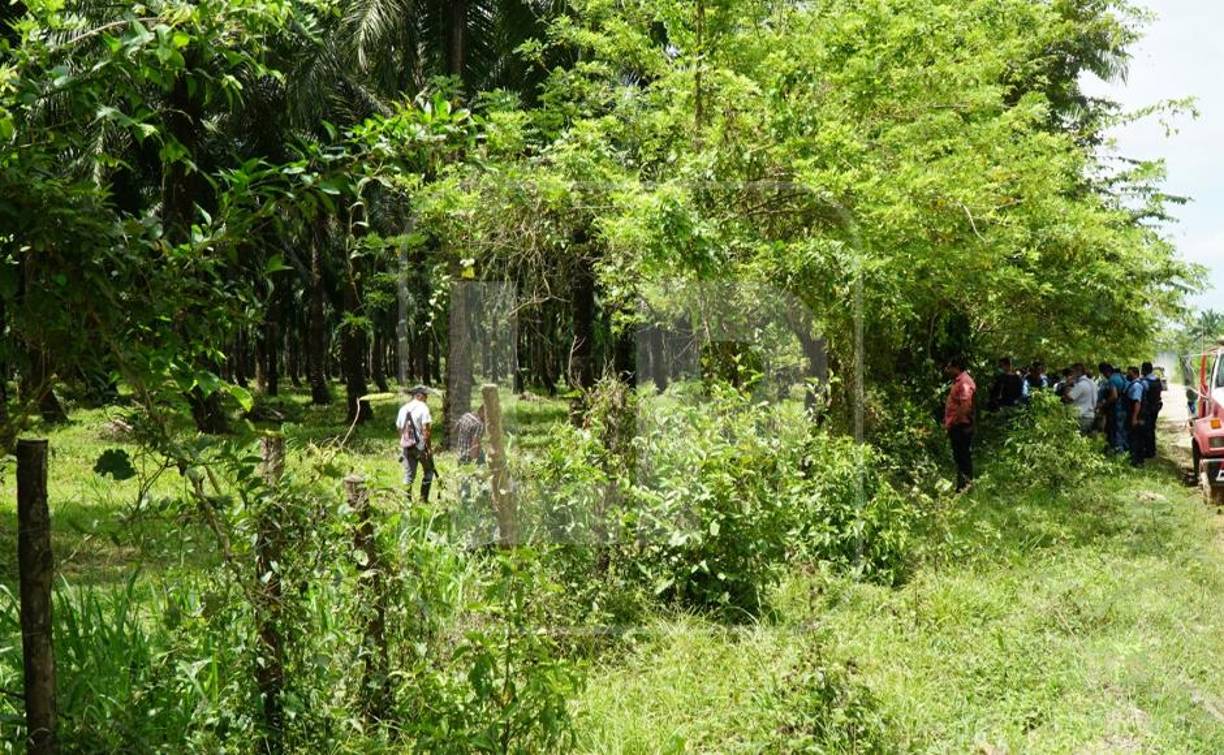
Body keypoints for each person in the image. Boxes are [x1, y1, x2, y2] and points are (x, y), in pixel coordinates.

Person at [396, 385, 436, 502]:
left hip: (407, 447)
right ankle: (423, 499)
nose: (426, 398)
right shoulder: (423, 408)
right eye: (425, 396)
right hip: (421, 447)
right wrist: (428, 448)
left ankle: (406, 502)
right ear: (419, 396)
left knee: (408, 476)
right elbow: (426, 430)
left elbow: (399, 428)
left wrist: (404, 442)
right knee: (429, 471)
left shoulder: (403, 408)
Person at [943, 357, 977, 492]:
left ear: (956, 367)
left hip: (961, 426)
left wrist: (955, 421)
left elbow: (965, 404)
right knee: (959, 456)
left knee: (963, 456)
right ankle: (962, 485)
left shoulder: (964, 382)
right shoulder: (959, 381)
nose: (947, 370)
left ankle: (966, 486)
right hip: (957, 425)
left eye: (949, 367)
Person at [1098, 363, 1127, 453]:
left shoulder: (1112, 380)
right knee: (1122, 430)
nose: (1104, 376)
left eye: (1103, 373)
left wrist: (1105, 403)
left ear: (1106, 372)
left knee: (1116, 430)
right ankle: (1124, 450)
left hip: (1116, 409)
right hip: (1124, 407)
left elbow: (1114, 396)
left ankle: (1118, 452)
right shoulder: (1121, 377)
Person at [1062, 363, 1096, 435]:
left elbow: (1069, 398)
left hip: (1081, 417)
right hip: (1090, 415)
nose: (1072, 375)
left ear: (1078, 372)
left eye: (1073, 373)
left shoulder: (1081, 385)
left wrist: (1066, 385)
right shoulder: (1092, 383)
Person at [1123, 366, 1147, 467]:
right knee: (1135, 438)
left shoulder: (1136, 386)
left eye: (1130, 373)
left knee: (1135, 439)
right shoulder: (1134, 384)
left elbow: (1137, 402)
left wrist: (1134, 418)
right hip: (1135, 415)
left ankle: (1136, 461)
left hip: (1136, 417)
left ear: (1135, 374)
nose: (1128, 375)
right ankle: (1136, 460)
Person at [1140, 362, 1163, 459]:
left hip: (1148, 408)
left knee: (1147, 429)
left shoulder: (1145, 382)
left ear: (1144, 370)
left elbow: (1142, 395)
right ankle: (1152, 450)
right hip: (1156, 407)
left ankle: (1149, 451)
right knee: (1152, 428)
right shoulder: (1157, 380)